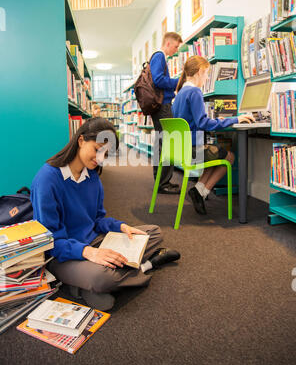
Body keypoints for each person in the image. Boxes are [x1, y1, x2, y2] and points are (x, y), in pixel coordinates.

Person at [31, 117, 180, 311]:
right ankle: (145, 266)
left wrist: (121, 227)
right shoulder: (47, 179)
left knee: (152, 233)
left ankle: (89, 283)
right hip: (63, 256)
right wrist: (89, 253)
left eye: (106, 154)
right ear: (81, 140)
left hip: (94, 240)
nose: (100, 158)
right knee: (101, 278)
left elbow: (97, 220)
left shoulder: (92, 176)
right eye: (98, 149)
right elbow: (50, 242)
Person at [172, 55, 254, 215]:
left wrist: (215, 120)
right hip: (194, 150)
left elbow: (193, 121)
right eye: (207, 73)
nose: (208, 77)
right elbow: (202, 123)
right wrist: (234, 119)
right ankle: (201, 192)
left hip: (183, 149)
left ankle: (198, 191)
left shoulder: (180, 93)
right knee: (229, 157)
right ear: (199, 72)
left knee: (216, 156)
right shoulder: (194, 91)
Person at [150, 32, 183, 194]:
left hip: (161, 105)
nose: (176, 50)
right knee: (167, 144)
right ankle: (163, 183)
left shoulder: (160, 58)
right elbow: (158, 80)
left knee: (162, 143)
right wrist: (179, 81)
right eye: (176, 46)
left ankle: (161, 181)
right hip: (162, 106)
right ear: (168, 43)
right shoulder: (160, 56)